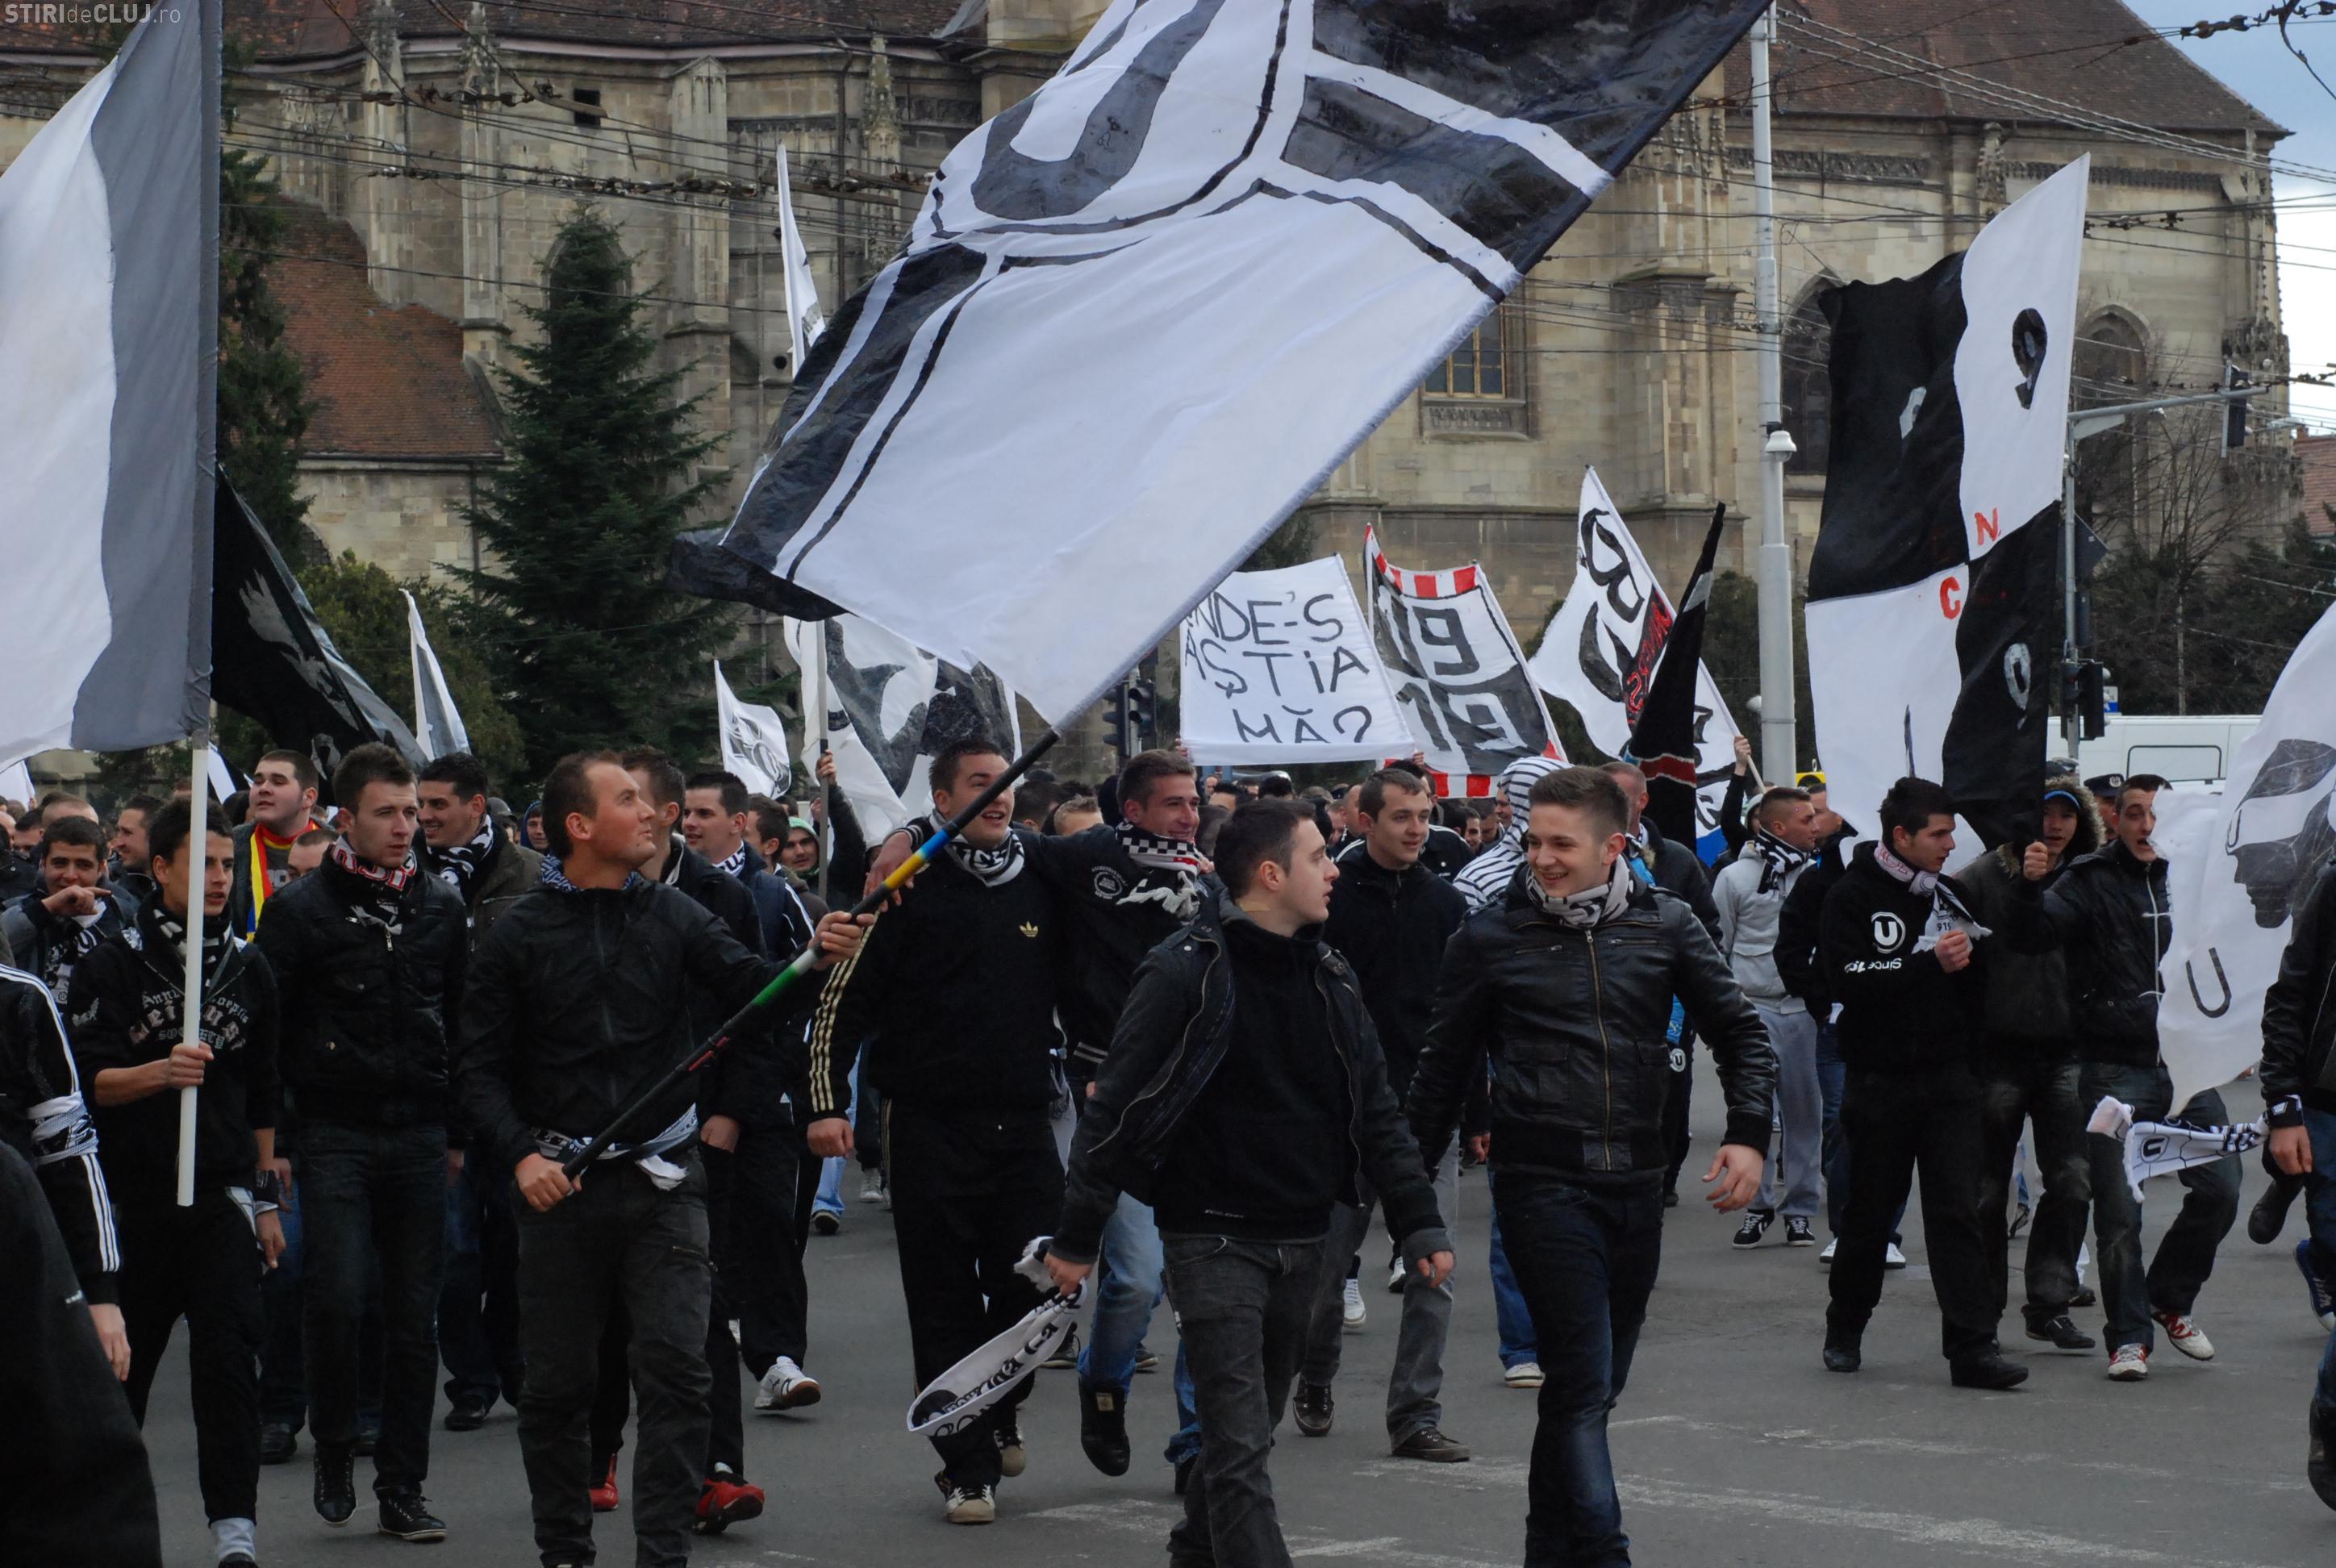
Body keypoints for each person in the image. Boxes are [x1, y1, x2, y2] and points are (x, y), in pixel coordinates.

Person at [457, 751, 862, 1568]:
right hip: (560, 1193)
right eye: (628, 801)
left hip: (668, 1185)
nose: (651, 813)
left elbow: (755, 993)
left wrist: (817, 958)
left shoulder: (676, 914)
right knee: (559, 1388)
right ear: (579, 825)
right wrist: (521, 1157)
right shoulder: (516, 934)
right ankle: (565, 1551)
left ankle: (664, 1554)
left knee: (679, 1372)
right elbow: (475, 1070)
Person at [1049, 799, 1451, 1566]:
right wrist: (1077, 1235)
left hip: (1307, 1237)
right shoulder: (1183, 971)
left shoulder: (1331, 975)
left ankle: (1194, 1552)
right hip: (1211, 1238)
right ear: (1271, 874)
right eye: (1318, 858)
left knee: (1248, 1435)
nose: (1333, 872)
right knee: (1236, 1446)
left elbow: (1377, 1111)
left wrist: (1418, 1220)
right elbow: (1114, 1109)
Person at [1408, 766, 1769, 1566]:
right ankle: (1606, 1553)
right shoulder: (1489, 937)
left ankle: (1547, 1550)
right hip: (1541, 1184)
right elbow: (1441, 1073)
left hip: (1637, 1181)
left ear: (1614, 846)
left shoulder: (1667, 924)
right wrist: (1411, 1206)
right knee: (1578, 1380)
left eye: (1561, 844)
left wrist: (1747, 1135)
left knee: (1589, 1392)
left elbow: (1741, 1034)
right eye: (1533, 842)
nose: (1541, 858)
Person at [809, 737, 1069, 1525]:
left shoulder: (1046, 873)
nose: (1000, 796)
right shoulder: (904, 884)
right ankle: (966, 1467)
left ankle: (1000, 1397)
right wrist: (825, 1104)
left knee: (1039, 1285)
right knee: (942, 1298)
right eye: (980, 784)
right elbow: (841, 1004)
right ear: (944, 801)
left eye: (1006, 782)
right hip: (927, 1124)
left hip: (1025, 1122)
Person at [256, 744, 465, 1541]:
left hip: (418, 1130)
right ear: (346, 819)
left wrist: (457, 1133)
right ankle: (336, 1441)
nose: (405, 827)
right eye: (387, 813)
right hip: (332, 1131)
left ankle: (403, 1486)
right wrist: (275, 1139)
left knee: (414, 1319)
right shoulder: (299, 910)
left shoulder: (439, 905)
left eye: (412, 812)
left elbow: (462, 1023)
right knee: (338, 1297)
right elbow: (270, 1035)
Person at [71, 797, 286, 1568]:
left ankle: (234, 1532)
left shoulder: (248, 966)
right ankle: (104, 1528)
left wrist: (266, 1200)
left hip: (222, 1197)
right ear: (160, 868)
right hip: (136, 1201)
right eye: (203, 865)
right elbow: (89, 1083)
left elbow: (264, 1092)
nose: (220, 878)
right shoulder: (114, 961)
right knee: (120, 1378)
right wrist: (160, 1072)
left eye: (227, 864)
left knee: (228, 1370)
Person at [603, 749, 786, 1533]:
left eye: (634, 799)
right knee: (605, 1312)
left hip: (693, 1129)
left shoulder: (718, 897)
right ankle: (597, 1448)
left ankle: (715, 1470)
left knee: (696, 1305)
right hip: (593, 1135)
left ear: (667, 814)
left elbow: (755, 1006)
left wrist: (732, 1110)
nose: (627, 814)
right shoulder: (567, 899)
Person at [2006, 774, 2238, 1381]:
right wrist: (2029, 887)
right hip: (2113, 1067)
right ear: (2116, 819)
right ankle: (2130, 1337)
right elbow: (2031, 936)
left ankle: (2168, 1297)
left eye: (2158, 814)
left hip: (2187, 1067)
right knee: (2118, 1213)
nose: (2146, 826)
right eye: (2135, 813)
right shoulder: (2088, 879)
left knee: (2222, 1189)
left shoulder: (2197, 876)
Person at [1819, 777, 2025, 1390]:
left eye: (1951, 832)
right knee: (1869, 1214)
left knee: (1959, 1214)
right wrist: (1925, 963)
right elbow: (1847, 980)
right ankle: (1846, 1327)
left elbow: (1979, 988)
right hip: (1879, 1084)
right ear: (1901, 835)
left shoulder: (1952, 895)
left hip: (1950, 1084)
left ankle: (1972, 1348)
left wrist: (1977, 1064)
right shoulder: (1851, 895)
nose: (1949, 844)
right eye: (1938, 834)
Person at [1296, 769, 1471, 1461]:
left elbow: (1468, 1014)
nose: (1418, 829)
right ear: (1365, 822)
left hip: (1429, 1116)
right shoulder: (1330, 900)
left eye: (1424, 816)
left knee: (1434, 1270)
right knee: (1324, 1276)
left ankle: (1415, 1414)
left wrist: (1477, 1110)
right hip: (1342, 1119)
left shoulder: (1447, 904)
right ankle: (1315, 1374)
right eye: (1403, 816)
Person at [1953, 777, 2104, 1353]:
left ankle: (2050, 1303)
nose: (2055, 825)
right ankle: (1982, 1309)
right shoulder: (1979, 878)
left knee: (2072, 1181)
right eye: (2044, 813)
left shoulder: (2090, 878)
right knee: (1986, 1191)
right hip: (1996, 1053)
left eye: (2067, 814)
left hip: (2068, 1052)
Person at [419, 752, 541, 1434]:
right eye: (420, 805)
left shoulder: (532, 875)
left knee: (517, 1243)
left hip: (516, 1092)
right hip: (439, 1091)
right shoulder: (408, 876)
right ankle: (470, 1378)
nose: (425, 817)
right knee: (455, 1249)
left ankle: (517, 1362)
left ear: (475, 805)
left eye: (438, 804)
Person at [1712, 785, 1825, 1250]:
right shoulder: (1734, 877)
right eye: (1806, 819)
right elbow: (1718, 947)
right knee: (1757, 1112)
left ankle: (1800, 1210)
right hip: (1751, 1009)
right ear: (1778, 826)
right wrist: (1722, 1015)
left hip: (1802, 1010)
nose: (1815, 826)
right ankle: (1756, 1207)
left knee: (1805, 1115)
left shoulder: (1819, 875)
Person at [2261, 851, 2336, 1508]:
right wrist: (2284, 1109)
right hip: (2328, 1109)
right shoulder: (2334, 885)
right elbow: (2290, 995)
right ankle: (2332, 1412)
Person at [2, 815, 132, 1003]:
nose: (70, 876)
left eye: (83, 865)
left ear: (101, 868)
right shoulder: (15, 910)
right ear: (43, 864)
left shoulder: (124, 917)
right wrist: (45, 909)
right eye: (60, 863)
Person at [227, 751, 329, 936]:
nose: (263, 789)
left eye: (278, 782)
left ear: (309, 797)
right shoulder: (228, 849)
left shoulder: (340, 853)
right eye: (258, 781)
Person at [110, 792, 165, 907]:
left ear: (154, 836)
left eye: (127, 833)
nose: (118, 844)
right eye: (118, 831)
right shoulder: (109, 891)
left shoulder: (188, 889)